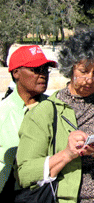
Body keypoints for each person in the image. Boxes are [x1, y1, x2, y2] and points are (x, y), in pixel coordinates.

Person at [16, 29, 94, 202]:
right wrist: (66, 154)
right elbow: (25, 172)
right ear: (70, 67)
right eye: (83, 71)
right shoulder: (45, 112)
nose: (89, 80)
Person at [0, 45, 56, 198]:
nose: (43, 74)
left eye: (45, 69)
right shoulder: (2, 114)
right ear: (16, 73)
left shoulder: (57, 108)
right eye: (36, 69)